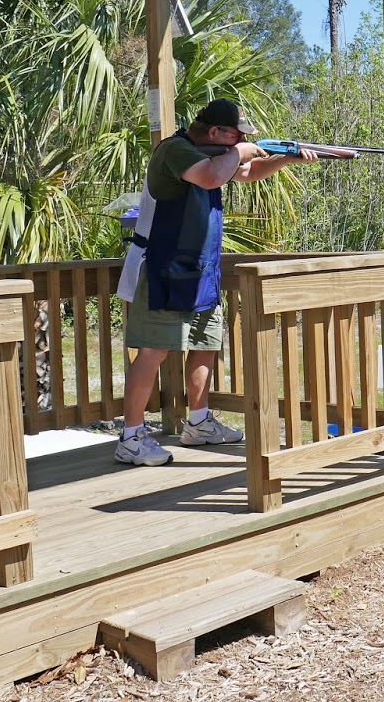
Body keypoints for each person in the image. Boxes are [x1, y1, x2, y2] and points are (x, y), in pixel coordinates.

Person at [114, 98, 318, 466]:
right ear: (214, 133)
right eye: (235, 134)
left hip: (200, 269)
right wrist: (240, 150)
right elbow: (212, 175)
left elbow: (245, 172)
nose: (241, 139)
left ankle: (199, 422)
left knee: (204, 344)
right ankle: (130, 437)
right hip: (163, 265)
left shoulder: (215, 155)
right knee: (153, 351)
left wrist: (286, 157)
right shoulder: (176, 150)